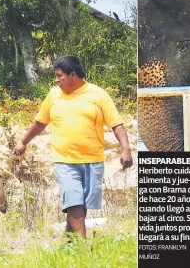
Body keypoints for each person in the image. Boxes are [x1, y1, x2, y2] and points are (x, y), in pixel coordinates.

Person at [13, 55, 133, 240]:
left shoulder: (98, 94)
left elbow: (116, 124)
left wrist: (125, 149)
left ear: (73, 75)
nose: (56, 80)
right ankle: (82, 248)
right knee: (74, 200)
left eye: (60, 75)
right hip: (64, 160)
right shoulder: (53, 95)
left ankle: (67, 241)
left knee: (81, 204)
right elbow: (40, 122)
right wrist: (23, 142)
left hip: (92, 159)